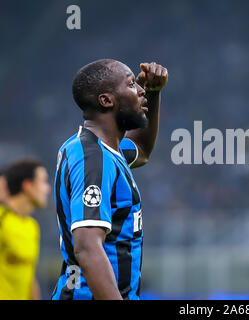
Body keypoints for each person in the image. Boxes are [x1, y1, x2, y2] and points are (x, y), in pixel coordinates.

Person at [51, 59, 168, 300]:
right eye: (132, 85)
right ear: (106, 100)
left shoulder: (99, 150)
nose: (141, 90)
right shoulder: (93, 159)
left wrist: (154, 93)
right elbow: (87, 248)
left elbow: (142, 150)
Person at [0, 159, 50, 300]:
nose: (47, 189)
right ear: (28, 185)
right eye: (43, 182)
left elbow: (29, 276)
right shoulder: (2, 221)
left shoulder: (32, 226)